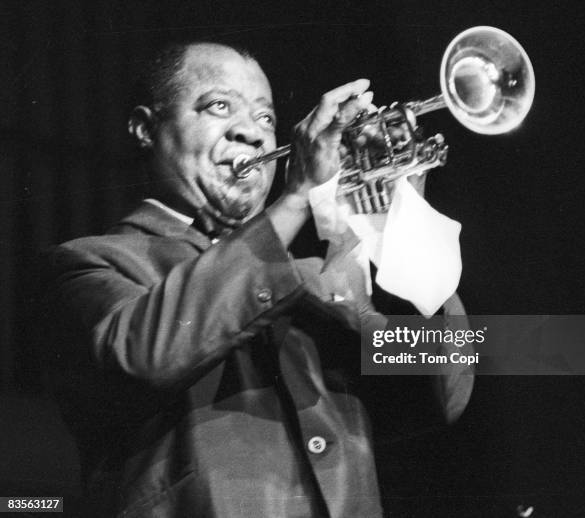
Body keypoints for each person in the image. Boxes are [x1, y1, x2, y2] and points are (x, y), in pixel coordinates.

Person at [43, 41, 473, 517]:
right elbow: (147, 353)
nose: (253, 133)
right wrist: (295, 200)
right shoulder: (87, 263)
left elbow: (440, 399)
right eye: (219, 106)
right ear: (146, 128)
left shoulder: (315, 282)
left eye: (267, 118)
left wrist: (401, 228)